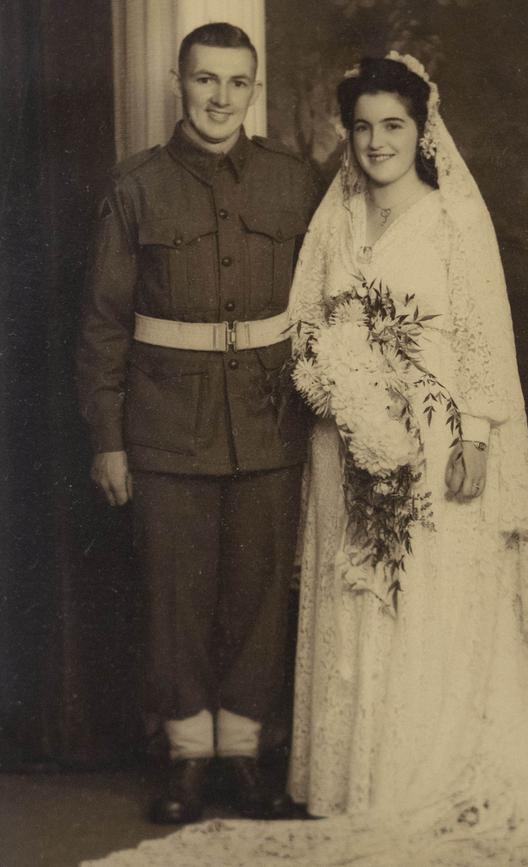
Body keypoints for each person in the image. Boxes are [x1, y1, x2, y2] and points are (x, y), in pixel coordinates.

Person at [81, 54, 528, 867]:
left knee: (423, 604)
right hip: (340, 438)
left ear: (422, 131)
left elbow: (486, 335)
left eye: (394, 126)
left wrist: (476, 435)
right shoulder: (335, 214)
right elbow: (303, 316)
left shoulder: (451, 218)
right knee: (353, 601)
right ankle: (354, 781)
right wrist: (336, 387)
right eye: (363, 127)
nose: (378, 142)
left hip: (434, 436)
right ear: (344, 134)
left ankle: (414, 775)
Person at [76, 22, 320, 824]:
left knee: (257, 593)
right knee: (175, 596)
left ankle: (245, 757)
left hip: (268, 423)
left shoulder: (294, 183)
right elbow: (104, 324)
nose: (220, 98)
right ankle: (185, 758)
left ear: (254, 89)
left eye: (236, 82)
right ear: (179, 84)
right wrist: (108, 439)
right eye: (204, 80)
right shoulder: (136, 185)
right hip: (164, 427)